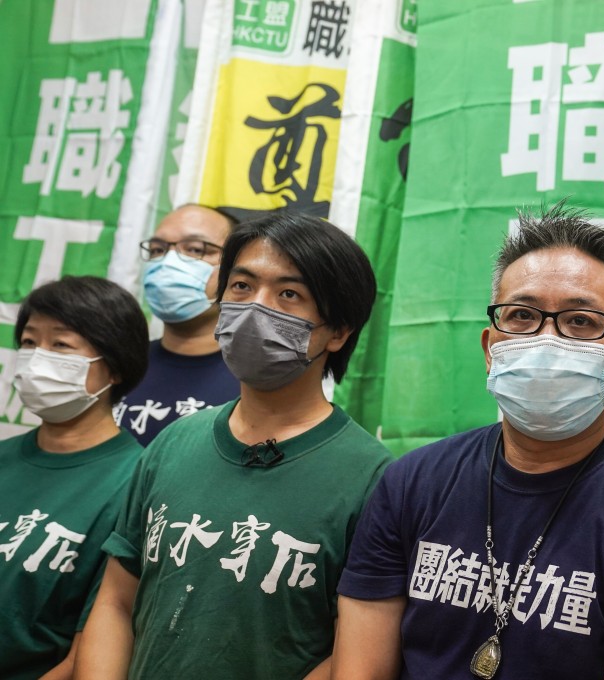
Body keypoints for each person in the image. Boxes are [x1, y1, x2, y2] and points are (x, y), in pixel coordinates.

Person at [335, 203, 604, 680]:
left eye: (581, 322)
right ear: (490, 349)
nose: (547, 339)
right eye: (522, 315)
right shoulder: (410, 484)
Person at [75, 212, 393, 679]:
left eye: (289, 294)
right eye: (241, 287)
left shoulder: (374, 478)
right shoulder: (174, 442)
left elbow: (357, 656)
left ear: (339, 331)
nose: (255, 308)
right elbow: (117, 602)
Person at [0, 276, 148, 679]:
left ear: (114, 366)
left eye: (61, 345)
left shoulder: (137, 483)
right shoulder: (5, 458)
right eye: (29, 343)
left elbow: (92, 649)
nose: (36, 359)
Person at [116, 203, 239, 445]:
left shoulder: (257, 379)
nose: (169, 262)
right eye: (157, 250)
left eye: (195, 249)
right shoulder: (116, 365)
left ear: (236, 268)